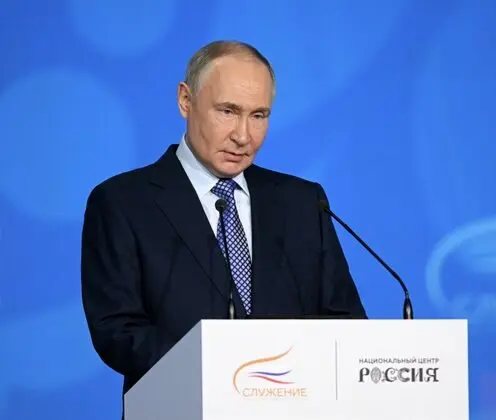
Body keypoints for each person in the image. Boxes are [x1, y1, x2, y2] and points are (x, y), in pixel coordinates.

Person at [80, 40, 367, 399]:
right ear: (185, 100)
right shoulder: (122, 202)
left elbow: (346, 323)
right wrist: (226, 372)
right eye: (228, 111)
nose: (243, 136)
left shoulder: (303, 202)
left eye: (258, 115)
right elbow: (118, 332)